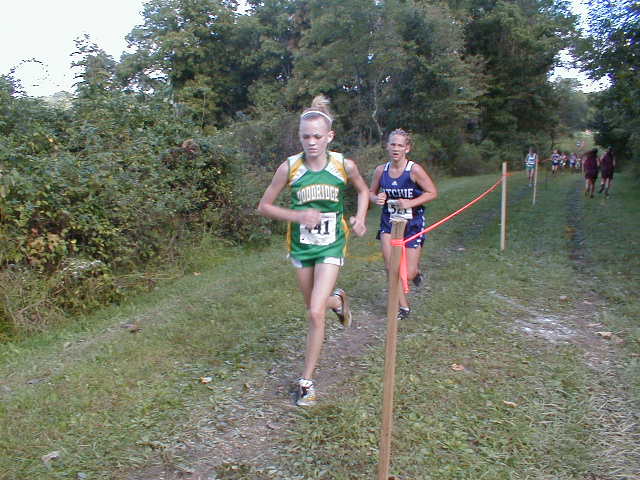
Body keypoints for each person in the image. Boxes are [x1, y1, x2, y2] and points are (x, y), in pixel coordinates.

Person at [257, 95, 369, 407]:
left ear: (329, 136)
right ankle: (339, 301)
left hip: (332, 243)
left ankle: (306, 382)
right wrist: (297, 216)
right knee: (313, 305)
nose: (311, 143)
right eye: (306, 137)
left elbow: (363, 190)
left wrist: (360, 217)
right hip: (302, 246)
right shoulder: (289, 167)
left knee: (314, 313)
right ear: (300, 137)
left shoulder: (343, 165)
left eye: (317, 137)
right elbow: (264, 206)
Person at [369, 129, 438, 320]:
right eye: (392, 144)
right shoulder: (381, 170)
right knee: (391, 267)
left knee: (407, 273)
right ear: (387, 146)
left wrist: (410, 202)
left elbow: (432, 192)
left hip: (413, 223)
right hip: (389, 223)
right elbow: (371, 192)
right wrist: (376, 198)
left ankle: (416, 273)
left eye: (400, 145)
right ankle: (403, 307)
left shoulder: (414, 170)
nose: (396, 148)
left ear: (407, 148)